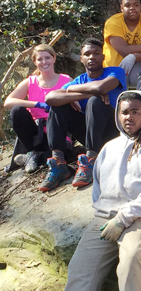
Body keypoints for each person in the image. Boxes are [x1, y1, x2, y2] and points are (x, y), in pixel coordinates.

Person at [64, 91, 141, 291]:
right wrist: (108, 215)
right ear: (118, 115)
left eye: (135, 111)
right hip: (105, 219)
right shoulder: (109, 148)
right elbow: (98, 188)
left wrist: (123, 219)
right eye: (124, 112)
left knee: (131, 260)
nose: (129, 117)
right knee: (79, 270)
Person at [42, 38, 127, 192]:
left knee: (95, 101)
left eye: (96, 53)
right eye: (87, 54)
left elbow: (101, 87)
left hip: (115, 132)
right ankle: (58, 163)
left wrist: (72, 91)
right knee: (58, 107)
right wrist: (81, 95)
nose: (91, 57)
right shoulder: (79, 81)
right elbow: (50, 98)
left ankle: (91, 159)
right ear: (81, 58)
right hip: (91, 134)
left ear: (103, 56)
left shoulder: (116, 72)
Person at [4, 44, 71, 173]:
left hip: (57, 131)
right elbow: (8, 102)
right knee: (17, 110)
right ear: (35, 62)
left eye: (47, 58)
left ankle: (35, 157)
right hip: (36, 134)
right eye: (40, 59)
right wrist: (37, 104)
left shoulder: (66, 80)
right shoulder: (30, 82)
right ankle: (31, 153)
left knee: (55, 157)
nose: (44, 62)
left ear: (54, 58)